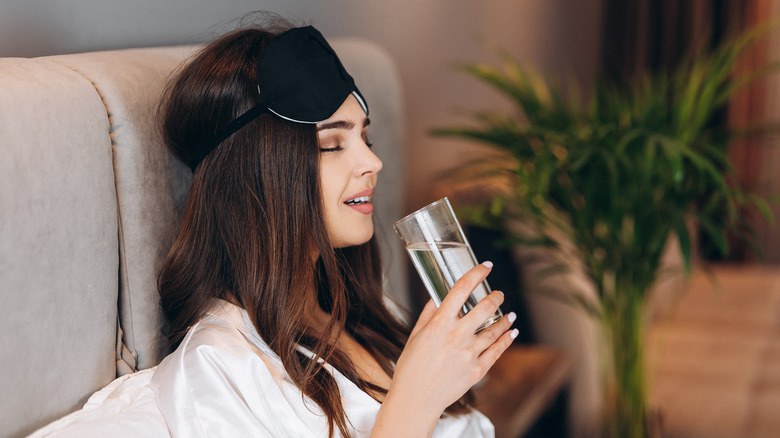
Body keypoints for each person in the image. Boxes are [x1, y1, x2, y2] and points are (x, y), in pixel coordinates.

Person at [150, 18, 519, 438]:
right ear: (256, 174)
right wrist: (417, 398)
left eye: (366, 140)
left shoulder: (364, 311)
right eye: (331, 145)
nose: (373, 163)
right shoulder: (218, 367)